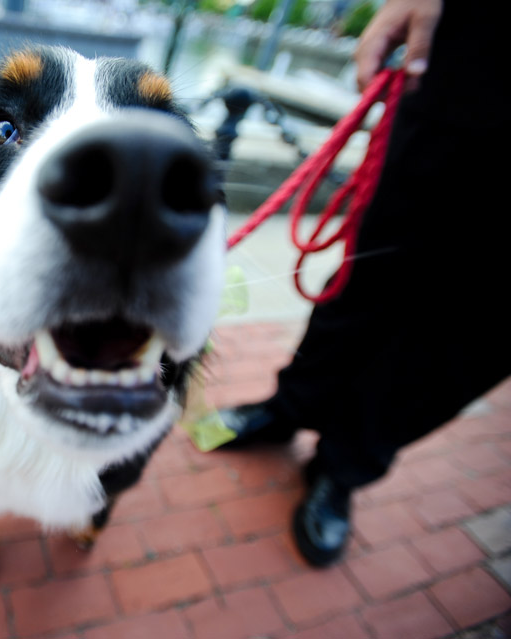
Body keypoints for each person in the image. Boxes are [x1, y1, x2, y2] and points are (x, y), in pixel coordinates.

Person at [218, 0, 510, 566]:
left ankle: (345, 464)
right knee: (371, 265)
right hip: (471, 69)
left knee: (477, 332)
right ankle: (290, 404)